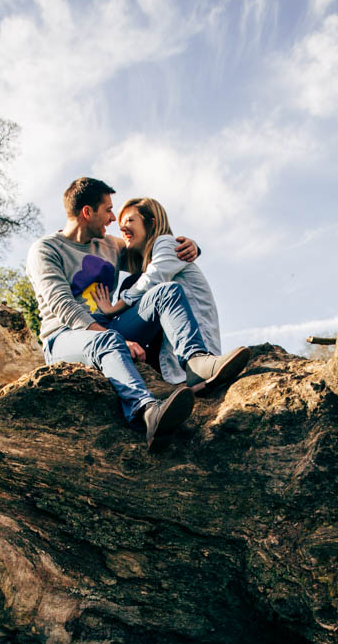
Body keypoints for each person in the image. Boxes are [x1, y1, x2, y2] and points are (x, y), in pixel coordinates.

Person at [26, 177, 250, 451]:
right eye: (108, 210)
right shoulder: (46, 250)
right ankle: (147, 414)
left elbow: (151, 252)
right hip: (64, 338)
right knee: (106, 341)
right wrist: (112, 337)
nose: (113, 220)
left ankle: (196, 362)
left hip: (110, 327)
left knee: (166, 291)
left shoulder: (110, 246)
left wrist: (191, 247)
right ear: (87, 212)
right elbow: (63, 306)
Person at [93, 196, 221, 387]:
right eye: (120, 224)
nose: (122, 228)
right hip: (165, 352)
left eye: (129, 220)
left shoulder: (167, 243)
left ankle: (197, 360)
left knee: (150, 288)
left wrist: (112, 308)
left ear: (151, 223)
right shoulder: (142, 261)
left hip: (195, 340)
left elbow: (153, 279)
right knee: (131, 282)